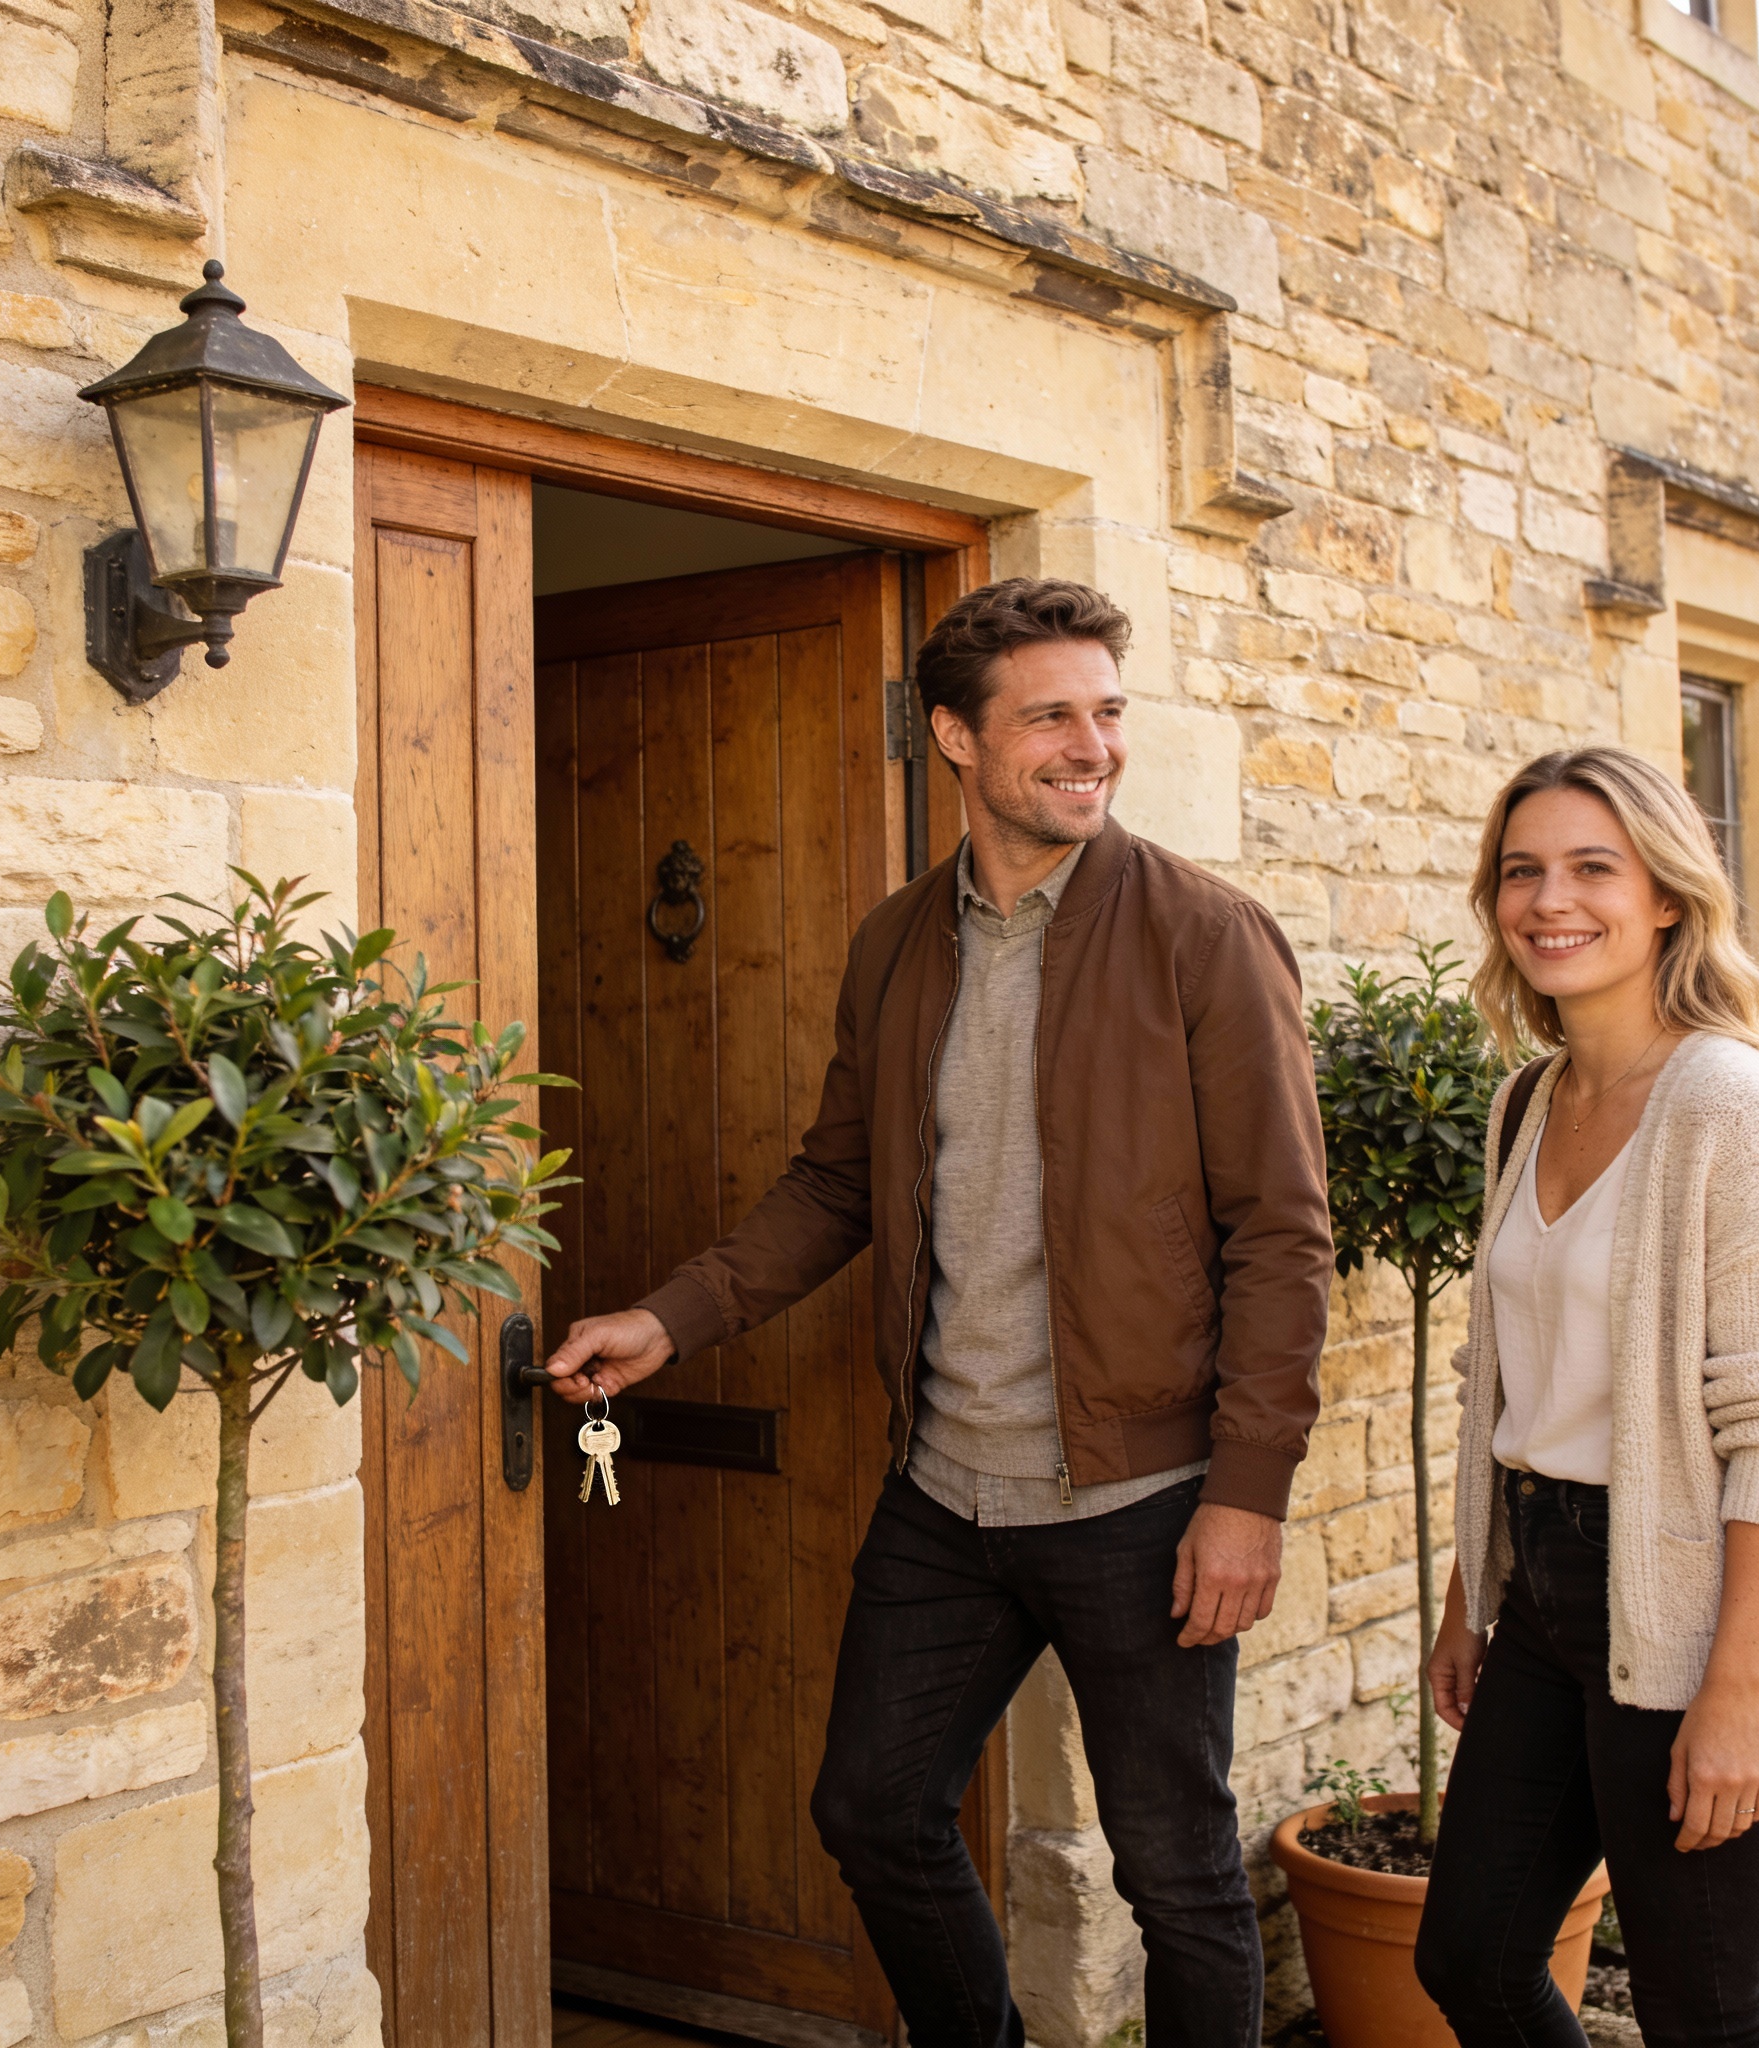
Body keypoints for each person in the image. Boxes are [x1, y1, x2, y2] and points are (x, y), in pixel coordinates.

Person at [543, 577, 1332, 2047]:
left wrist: (1248, 1495)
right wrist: (671, 1321)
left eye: (1106, 713)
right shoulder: (898, 946)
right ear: (957, 741)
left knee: (1175, 1873)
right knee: (874, 1809)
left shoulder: (1203, 936)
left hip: (1144, 1499)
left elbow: (1282, 1238)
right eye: (1051, 717)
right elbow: (838, 1184)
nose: (1090, 745)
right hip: (946, 1493)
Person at [1414, 746, 1759, 2048]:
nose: (1552, 899)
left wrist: (1738, 1693)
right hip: (1541, 1588)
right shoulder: (1526, 1101)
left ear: (1665, 893)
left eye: (1592, 868)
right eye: (1523, 871)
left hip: (1695, 1593)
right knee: (1473, 1956)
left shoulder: (1731, 1104)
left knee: (1701, 2010)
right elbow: (1507, 1375)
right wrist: (1470, 1591)